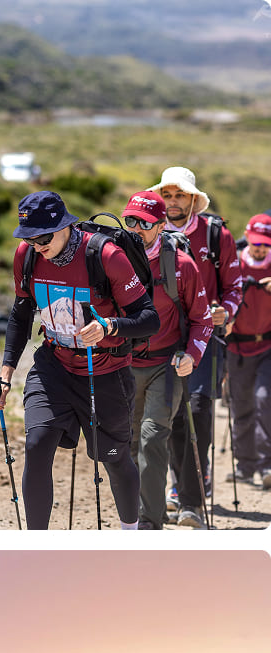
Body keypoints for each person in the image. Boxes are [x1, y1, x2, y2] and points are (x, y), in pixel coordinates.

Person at [0, 190, 158, 529]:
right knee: (36, 445)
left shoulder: (105, 255)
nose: (38, 245)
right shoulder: (27, 256)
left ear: (65, 226)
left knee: (114, 459)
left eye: (44, 237)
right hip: (53, 366)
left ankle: (131, 533)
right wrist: (5, 373)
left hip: (106, 371)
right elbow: (21, 315)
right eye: (30, 238)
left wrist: (110, 325)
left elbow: (148, 317)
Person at [149, 167, 244, 523]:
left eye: (180, 196)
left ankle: (192, 492)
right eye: (168, 195)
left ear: (193, 199)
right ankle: (180, 488)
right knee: (169, 416)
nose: (173, 203)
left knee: (200, 410)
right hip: (159, 339)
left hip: (204, 338)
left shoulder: (216, 234)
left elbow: (235, 286)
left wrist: (226, 311)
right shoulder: (145, 232)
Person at [121, 191, 209, 528]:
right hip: (124, 364)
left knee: (152, 439)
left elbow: (201, 320)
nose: (136, 228)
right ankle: (133, 518)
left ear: (160, 225)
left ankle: (150, 524)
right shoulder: (115, 259)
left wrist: (192, 354)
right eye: (131, 221)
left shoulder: (182, 265)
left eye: (144, 223)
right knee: (125, 442)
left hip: (166, 365)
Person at [230, 214, 271, 488]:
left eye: (265, 245)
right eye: (256, 243)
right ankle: (245, 465)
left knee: (264, 400)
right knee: (241, 406)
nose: (260, 249)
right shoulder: (234, 264)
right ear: (247, 237)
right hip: (236, 346)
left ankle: (267, 464)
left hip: (267, 345)